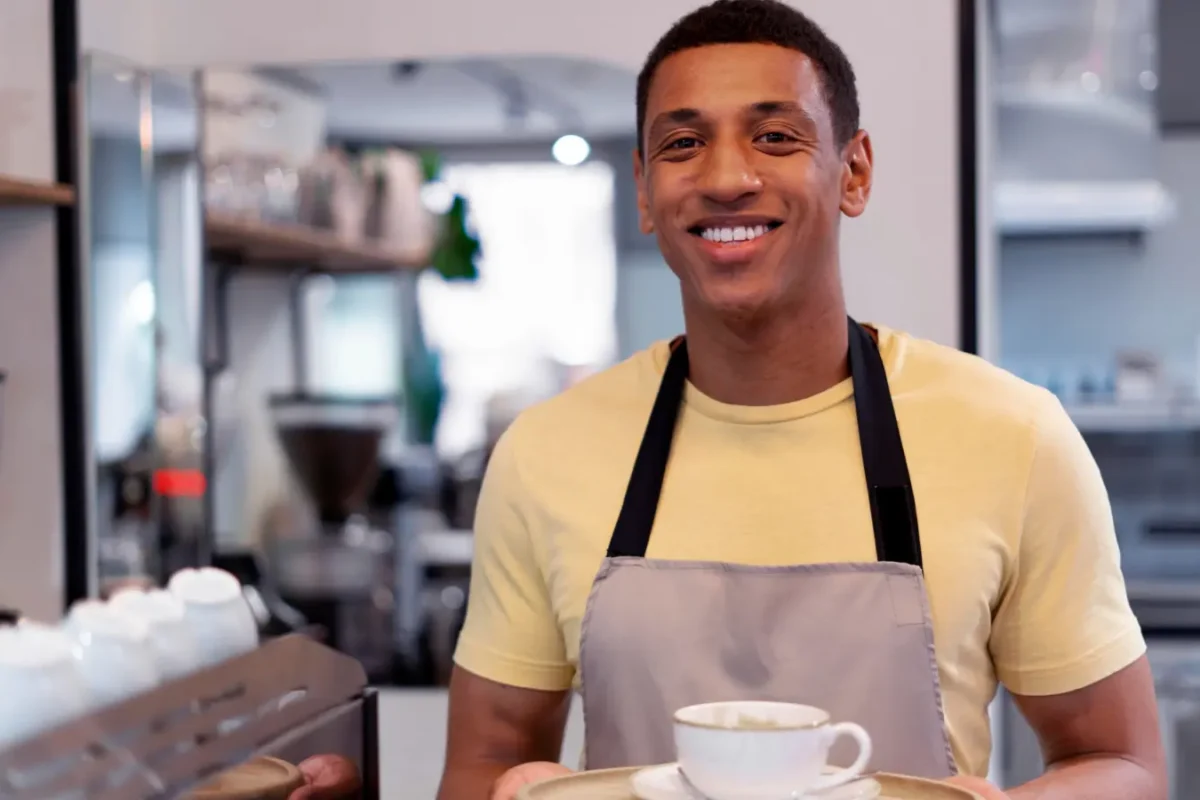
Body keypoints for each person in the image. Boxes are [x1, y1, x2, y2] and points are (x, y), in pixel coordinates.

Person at [289, 2, 1166, 798]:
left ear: (854, 172)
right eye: (682, 144)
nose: (725, 176)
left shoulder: (1012, 435)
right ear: (643, 190)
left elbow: (1125, 764)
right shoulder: (545, 454)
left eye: (775, 136)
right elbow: (484, 765)